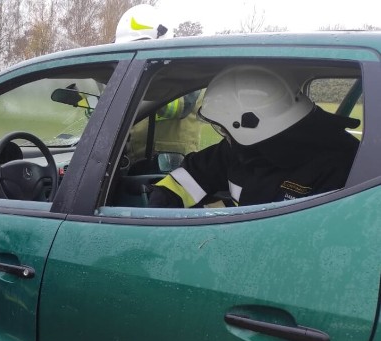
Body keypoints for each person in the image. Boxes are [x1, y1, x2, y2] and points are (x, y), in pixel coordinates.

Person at [148, 65, 360, 208]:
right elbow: (194, 175)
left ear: (251, 123)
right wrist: (163, 201)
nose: (225, 136)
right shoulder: (244, 147)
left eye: (225, 128)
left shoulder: (341, 166)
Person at [115, 4, 204, 160]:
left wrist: (127, 94)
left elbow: (179, 107)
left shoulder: (186, 70)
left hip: (172, 165)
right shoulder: (138, 74)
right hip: (137, 160)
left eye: (141, 46)